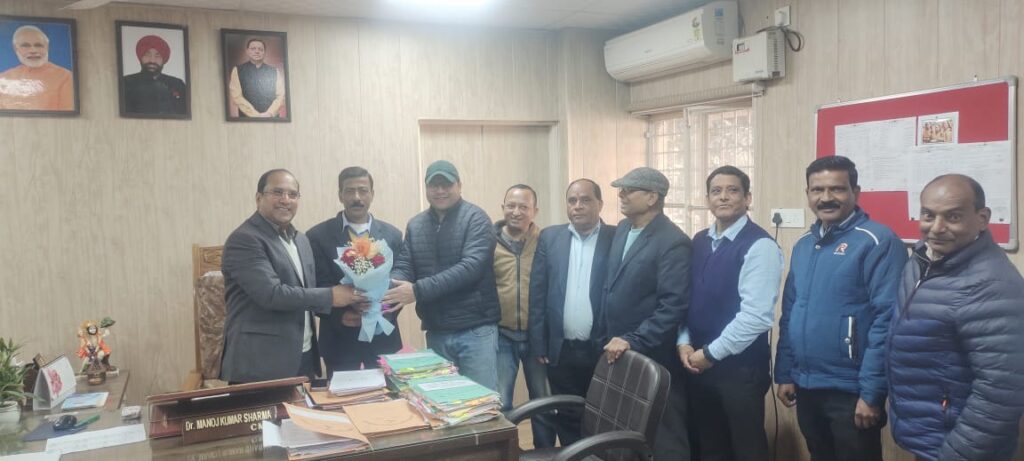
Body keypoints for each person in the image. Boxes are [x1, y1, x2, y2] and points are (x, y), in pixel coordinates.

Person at [774, 155, 907, 461]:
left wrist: (872, 393)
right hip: (806, 384)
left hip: (851, 390)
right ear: (808, 194)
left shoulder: (877, 241)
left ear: (855, 192)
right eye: (817, 190)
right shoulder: (805, 243)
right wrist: (785, 373)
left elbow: (887, 321)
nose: (826, 197)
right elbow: (791, 312)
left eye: (836, 189)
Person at [888, 174, 1024, 461]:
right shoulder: (923, 260)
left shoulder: (993, 285)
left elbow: (1000, 393)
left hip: (961, 448)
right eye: (928, 215)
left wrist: (956, 454)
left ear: (982, 218)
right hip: (930, 436)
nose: (937, 228)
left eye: (953, 217)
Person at [675, 166, 782, 461]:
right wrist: (683, 342)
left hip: (740, 370)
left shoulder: (760, 245)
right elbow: (688, 299)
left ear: (748, 198)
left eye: (733, 190)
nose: (723, 197)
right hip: (697, 363)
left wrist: (710, 354)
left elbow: (756, 317)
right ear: (707, 199)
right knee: (709, 448)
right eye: (716, 191)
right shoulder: (699, 241)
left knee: (745, 450)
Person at [220, 169, 365, 384]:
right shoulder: (245, 239)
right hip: (259, 363)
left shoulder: (301, 240)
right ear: (259, 198)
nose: (285, 200)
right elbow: (272, 294)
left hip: (303, 357)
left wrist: (351, 308)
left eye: (293, 194)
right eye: (277, 192)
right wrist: (332, 296)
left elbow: (308, 292)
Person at [600, 167, 692, 460]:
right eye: (621, 189)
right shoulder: (623, 229)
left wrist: (634, 340)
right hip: (618, 349)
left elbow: (673, 306)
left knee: (665, 434)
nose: (621, 195)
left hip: (653, 353)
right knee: (627, 429)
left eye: (629, 190)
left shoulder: (673, 241)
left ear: (652, 197)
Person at [384, 160, 501, 390]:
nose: (440, 190)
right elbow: (405, 264)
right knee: (443, 401)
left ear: (459, 185)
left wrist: (416, 291)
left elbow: (470, 268)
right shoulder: (416, 225)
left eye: (446, 184)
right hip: (437, 332)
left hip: (475, 331)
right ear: (426, 188)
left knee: (480, 403)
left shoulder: (476, 218)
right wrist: (387, 287)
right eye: (433, 185)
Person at [529, 178, 615, 445]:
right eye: (572, 200)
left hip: (602, 349)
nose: (577, 206)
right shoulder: (550, 237)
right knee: (567, 414)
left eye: (585, 200)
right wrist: (538, 342)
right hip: (561, 348)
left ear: (600, 204)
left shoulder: (616, 237)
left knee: (604, 414)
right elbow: (537, 292)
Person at [308, 167, 404, 374]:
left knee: (387, 393)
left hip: (382, 339)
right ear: (340, 195)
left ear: (372, 194)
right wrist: (340, 316)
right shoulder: (317, 236)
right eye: (350, 191)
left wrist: (381, 310)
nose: (357, 198)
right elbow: (315, 287)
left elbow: (400, 280)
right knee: (343, 393)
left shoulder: (393, 235)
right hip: (339, 340)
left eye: (363, 190)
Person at [491, 184, 555, 447]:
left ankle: (546, 453)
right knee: (501, 403)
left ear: (535, 211)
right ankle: (508, 453)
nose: (516, 212)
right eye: (511, 206)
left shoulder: (547, 241)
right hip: (501, 335)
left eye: (523, 207)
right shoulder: (488, 242)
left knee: (543, 402)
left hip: (538, 337)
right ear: (503, 207)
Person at [0, 25, 73, 110]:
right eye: (25, 45)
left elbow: (68, 114)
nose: (33, 50)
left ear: (47, 47)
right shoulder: (3, 78)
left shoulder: (65, 77)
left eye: (38, 45)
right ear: (16, 48)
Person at [122, 35, 186, 115]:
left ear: (163, 59)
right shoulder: (126, 83)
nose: (152, 60)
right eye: (147, 54)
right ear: (141, 57)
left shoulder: (177, 84)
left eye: (157, 56)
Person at [228, 38, 285, 118]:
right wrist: (255, 115)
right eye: (253, 49)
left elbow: (281, 96)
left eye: (260, 49)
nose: (257, 51)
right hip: (246, 120)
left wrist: (269, 113)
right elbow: (237, 97)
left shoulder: (275, 71)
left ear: (264, 52)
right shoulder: (237, 70)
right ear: (247, 51)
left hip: (272, 119)